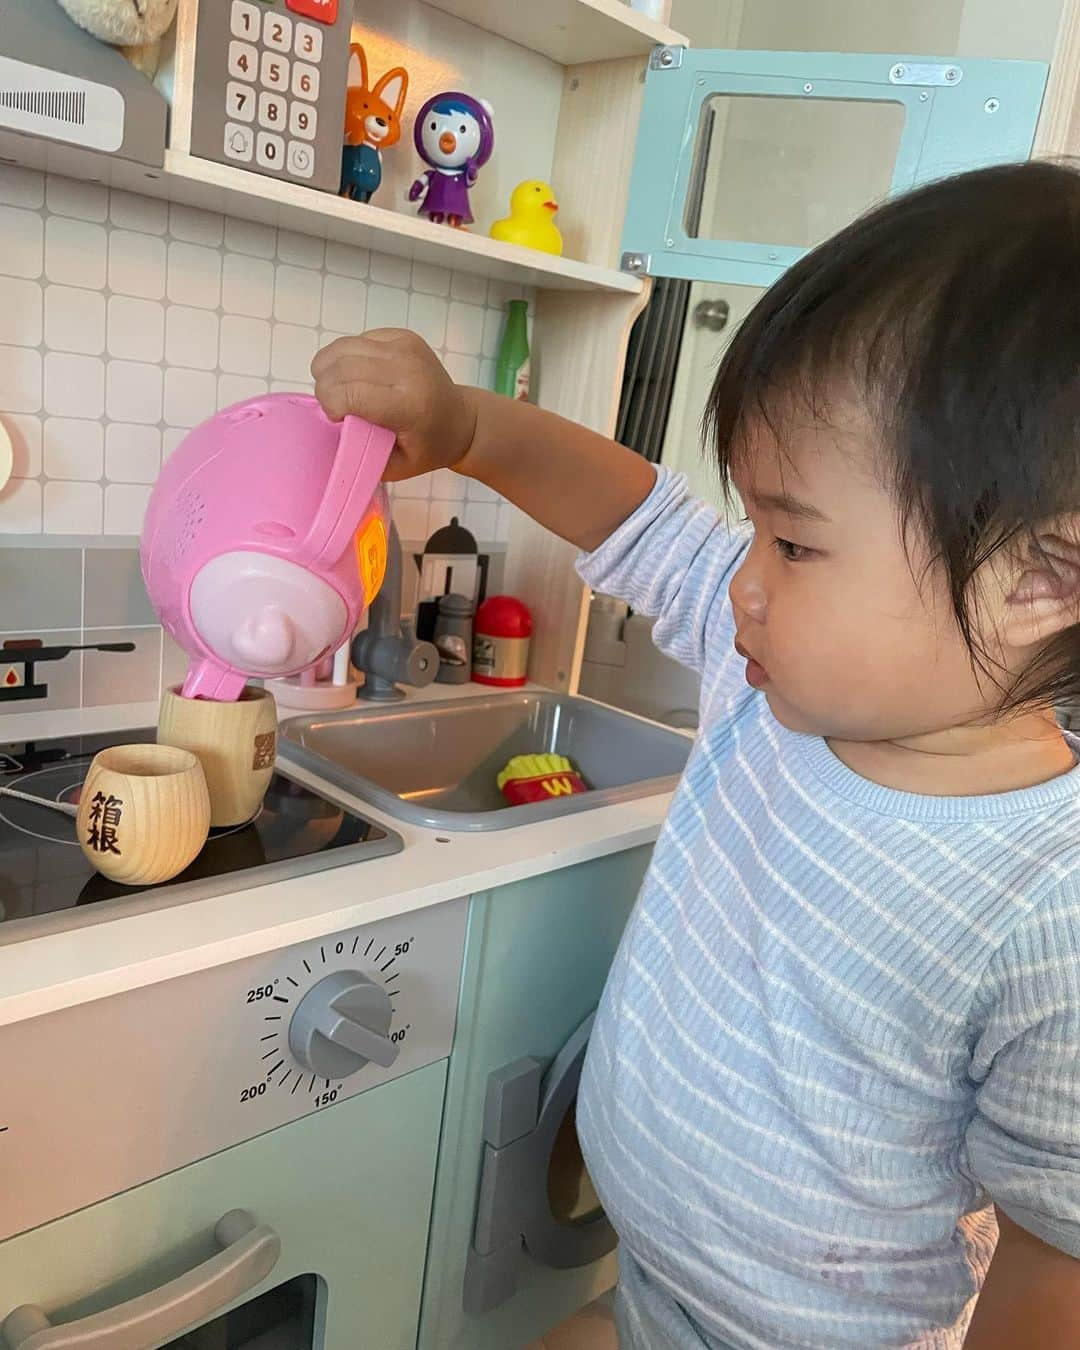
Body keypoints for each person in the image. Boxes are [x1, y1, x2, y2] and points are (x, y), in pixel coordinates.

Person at [312, 160, 1080, 1349]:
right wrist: (465, 428)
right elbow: (640, 520)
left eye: (795, 542)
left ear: (1039, 579)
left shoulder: (1051, 901)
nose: (745, 582)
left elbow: (1054, 1273)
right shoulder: (769, 687)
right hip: (654, 1299)